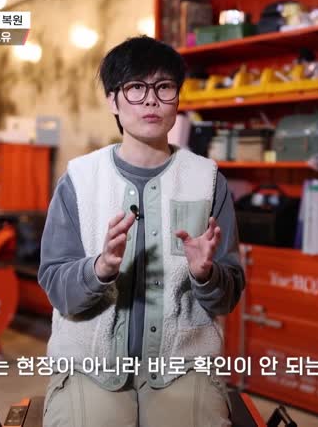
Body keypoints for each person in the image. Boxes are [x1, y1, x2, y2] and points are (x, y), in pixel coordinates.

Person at [38, 36, 245, 427]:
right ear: (113, 101)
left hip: (182, 365)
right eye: (136, 88)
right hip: (90, 364)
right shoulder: (79, 180)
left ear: (177, 99)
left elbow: (226, 298)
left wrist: (206, 274)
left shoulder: (207, 181)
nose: (151, 100)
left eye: (164, 87)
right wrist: (99, 269)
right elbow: (57, 288)